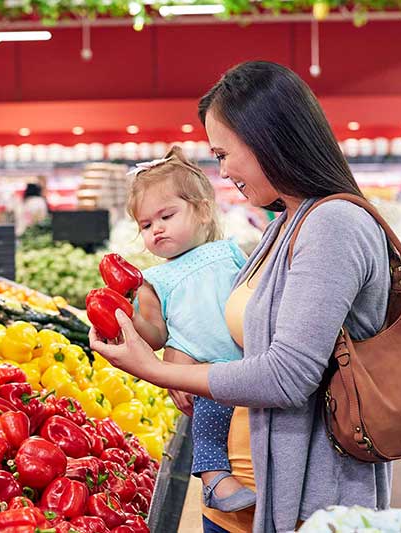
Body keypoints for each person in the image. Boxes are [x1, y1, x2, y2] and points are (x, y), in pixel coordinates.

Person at [90, 61, 393, 533]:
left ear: (269, 138)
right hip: (251, 495)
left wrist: (158, 370)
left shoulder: (333, 225)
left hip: (300, 502)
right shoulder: (285, 224)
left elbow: (288, 377)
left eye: (224, 153)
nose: (223, 169)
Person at [126, 145, 257, 512]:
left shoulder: (229, 251)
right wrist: (128, 315)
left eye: (166, 216)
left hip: (247, 363)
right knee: (211, 422)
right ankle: (214, 478)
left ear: (201, 211)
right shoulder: (153, 279)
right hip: (202, 372)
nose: (157, 229)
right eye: (146, 225)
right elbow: (156, 335)